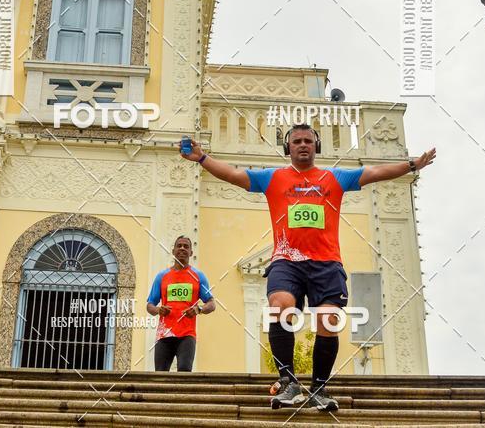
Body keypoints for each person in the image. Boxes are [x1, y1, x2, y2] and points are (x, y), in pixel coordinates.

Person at [180, 125, 435, 410]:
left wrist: (412, 165)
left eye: (308, 141)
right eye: (297, 141)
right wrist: (202, 158)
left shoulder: (334, 177)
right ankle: (288, 383)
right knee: (280, 305)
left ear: (316, 146)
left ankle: (319, 389)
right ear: (288, 148)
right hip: (286, 260)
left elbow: (375, 172)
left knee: (329, 320)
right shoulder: (273, 177)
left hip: (327, 264)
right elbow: (235, 175)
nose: (303, 145)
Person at [146, 235, 215, 372]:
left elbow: (212, 303)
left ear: (191, 252)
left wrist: (198, 309)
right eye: (179, 246)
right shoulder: (162, 276)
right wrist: (159, 310)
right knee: (160, 373)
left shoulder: (198, 276)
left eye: (186, 246)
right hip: (164, 334)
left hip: (187, 335)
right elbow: (150, 305)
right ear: (173, 251)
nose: (182, 248)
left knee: (184, 371)